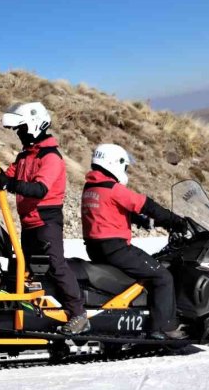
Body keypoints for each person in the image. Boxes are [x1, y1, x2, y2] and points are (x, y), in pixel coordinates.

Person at [0, 102, 88, 335]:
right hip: (28, 222)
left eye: (20, 129)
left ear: (33, 126)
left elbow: (39, 189)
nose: (18, 134)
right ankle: (29, 311)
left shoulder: (50, 157)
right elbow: (4, 177)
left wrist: (7, 183)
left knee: (56, 265)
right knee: (26, 268)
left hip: (46, 222)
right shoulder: (25, 156)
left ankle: (78, 314)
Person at [80, 143, 188, 340]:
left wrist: (139, 220)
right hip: (116, 249)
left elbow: (107, 212)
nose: (125, 170)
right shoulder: (113, 188)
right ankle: (164, 327)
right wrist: (176, 221)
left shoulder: (91, 187)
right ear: (114, 163)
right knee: (162, 276)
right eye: (125, 166)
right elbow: (147, 205)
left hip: (95, 248)